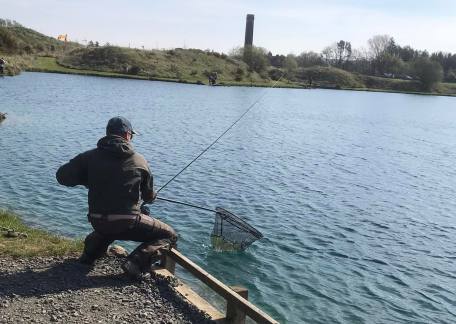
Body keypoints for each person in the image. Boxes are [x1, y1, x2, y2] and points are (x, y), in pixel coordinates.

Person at [56, 116, 177, 278]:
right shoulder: (140, 161)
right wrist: (152, 196)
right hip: (127, 222)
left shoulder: (89, 157)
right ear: (127, 135)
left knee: (111, 220)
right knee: (170, 235)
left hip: (97, 221)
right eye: (131, 135)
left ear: (108, 134)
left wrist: (87, 179)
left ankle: (91, 253)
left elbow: (62, 177)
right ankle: (136, 262)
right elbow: (148, 197)